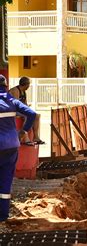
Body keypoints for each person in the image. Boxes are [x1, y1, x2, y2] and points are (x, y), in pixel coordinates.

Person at [0, 75, 37, 221]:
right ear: (6, 86)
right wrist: (23, 131)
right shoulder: (11, 100)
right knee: (6, 181)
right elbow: (32, 114)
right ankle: (3, 216)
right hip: (11, 146)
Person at [8, 77, 42, 144]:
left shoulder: (23, 92)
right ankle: (26, 138)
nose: (29, 86)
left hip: (19, 110)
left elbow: (25, 104)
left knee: (36, 115)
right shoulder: (15, 90)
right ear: (26, 84)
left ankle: (36, 137)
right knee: (27, 116)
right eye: (29, 84)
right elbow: (15, 105)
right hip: (12, 110)